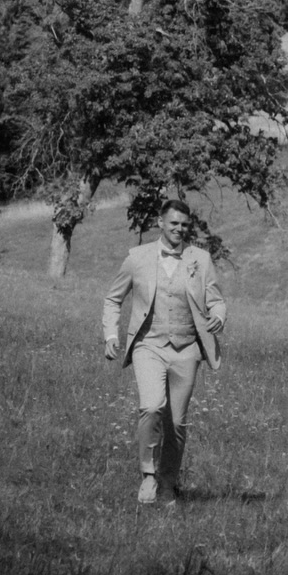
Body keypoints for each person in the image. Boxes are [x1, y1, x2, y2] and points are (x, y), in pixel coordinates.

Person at [103, 199, 227, 506]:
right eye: (173, 223)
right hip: (149, 345)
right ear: (161, 222)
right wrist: (110, 334)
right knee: (152, 406)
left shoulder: (200, 259)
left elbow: (216, 300)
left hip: (187, 349)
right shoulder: (137, 258)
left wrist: (218, 316)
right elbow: (113, 299)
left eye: (184, 225)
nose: (179, 229)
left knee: (176, 422)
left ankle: (168, 482)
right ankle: (148, 474)